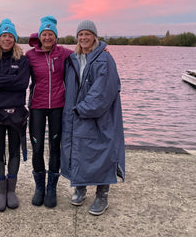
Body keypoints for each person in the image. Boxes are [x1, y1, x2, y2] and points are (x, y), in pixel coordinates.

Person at [60, 20, 125, 216]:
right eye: (81, 34)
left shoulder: (104, 60)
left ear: (94, 36)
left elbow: (104, 90)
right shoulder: (73, 59)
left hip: (98, 117)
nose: (84, 38)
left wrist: (83, 109)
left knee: (102, 152)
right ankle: (80, 187)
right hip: (75, 114)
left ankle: (102, 195)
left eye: (88, 34)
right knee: (78, 151)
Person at [25, 15, 73, 208]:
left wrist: (101, 47)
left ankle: (51, 188)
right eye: (44, 34)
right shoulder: (29, 56)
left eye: (51, 34)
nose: (47, 37)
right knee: (36, 147)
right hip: (37, 105)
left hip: (58, 106)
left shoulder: (63, 53)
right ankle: (39, 188)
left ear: (55, 36)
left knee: (55, 147)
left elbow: (84, 52)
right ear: (39, 35)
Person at [0, 18, 30, 212]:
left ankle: (12, 190)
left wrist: (2, 81)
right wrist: (10, 78)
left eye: (10, 36)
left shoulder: (23, 59)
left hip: (16, 113)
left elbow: (22, 84)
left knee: (14, 151)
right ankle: (1, 191)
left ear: (15, 39)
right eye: (4, 35)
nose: (7, 39)